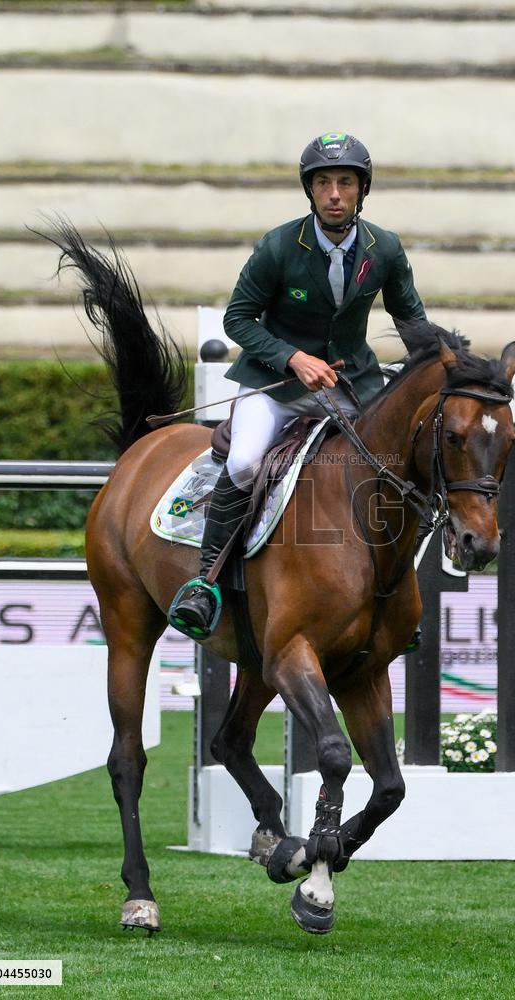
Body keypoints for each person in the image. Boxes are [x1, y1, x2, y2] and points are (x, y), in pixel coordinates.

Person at [169, 131, 427, 638]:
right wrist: (293, 358)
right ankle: (206, 583)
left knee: (394, 466)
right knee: (244, 463)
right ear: (310, 191)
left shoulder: (386, 248)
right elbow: (238, 320)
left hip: (351, 384)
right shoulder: (279, 245)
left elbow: (412, 322)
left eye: (345, 183)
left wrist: (446, 362)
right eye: (324, 183)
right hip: (274, 384)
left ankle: (393, 594)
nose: (334, 193)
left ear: (361, 189)